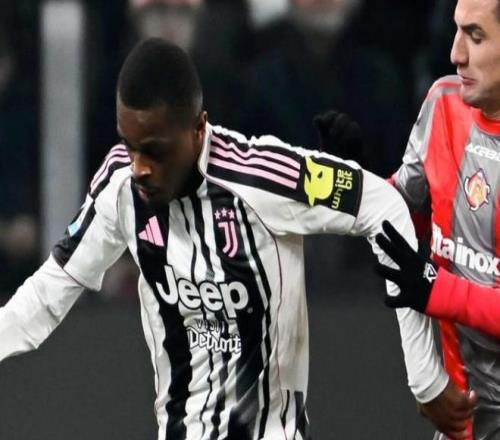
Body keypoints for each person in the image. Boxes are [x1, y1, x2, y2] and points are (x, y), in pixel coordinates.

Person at [0, 38, 447, 439]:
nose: (140, 166)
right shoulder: (121, 186)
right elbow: (48, 292)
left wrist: (426, 379)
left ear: (199, 129)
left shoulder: (264, 176)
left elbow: (382, 204)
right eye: (130, 145)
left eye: (155, 150)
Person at [317, 0, 500, 438]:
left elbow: (431, 285)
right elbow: (402, 214)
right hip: (464, 418)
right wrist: (355, 181)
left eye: (475, 36)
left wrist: (437, 290)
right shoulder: (443, 103)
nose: (456, 54)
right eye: (456, 31)